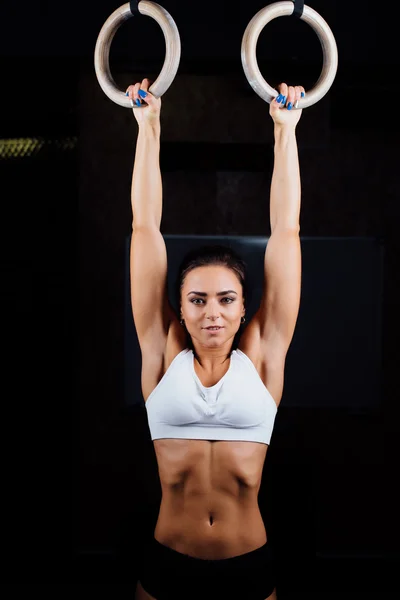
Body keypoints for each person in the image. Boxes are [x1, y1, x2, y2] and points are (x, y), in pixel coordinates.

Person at [127, 78, 304, 600]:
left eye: (226, 299)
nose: (212, 313)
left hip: (248, 564)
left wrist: (285, 131)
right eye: (198, 300)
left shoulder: (263, 357)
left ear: (244, 307)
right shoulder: (161, 353)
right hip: (167, 561)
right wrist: (148, 127)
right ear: (179, 309)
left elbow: (287, 231)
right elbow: (144, 228)